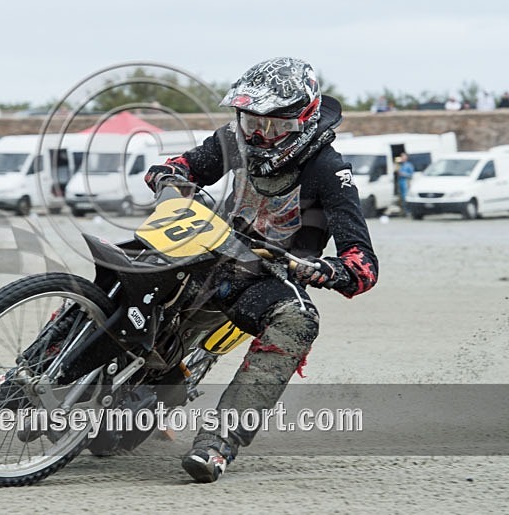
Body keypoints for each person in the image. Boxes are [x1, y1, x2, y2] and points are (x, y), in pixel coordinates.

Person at [144, 57, 379, 483]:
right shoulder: (232, 140)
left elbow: (362, 264)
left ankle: (218, 443)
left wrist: (322, 269)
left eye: (274, 126)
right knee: (128, 257)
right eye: (252, 121)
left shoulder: (330, 170)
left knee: (298, 320)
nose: (260, 135)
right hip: (209, 249)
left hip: (267, 276)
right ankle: (33, 365)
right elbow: (185, 166)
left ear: (303, 120)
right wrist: (169, 177)